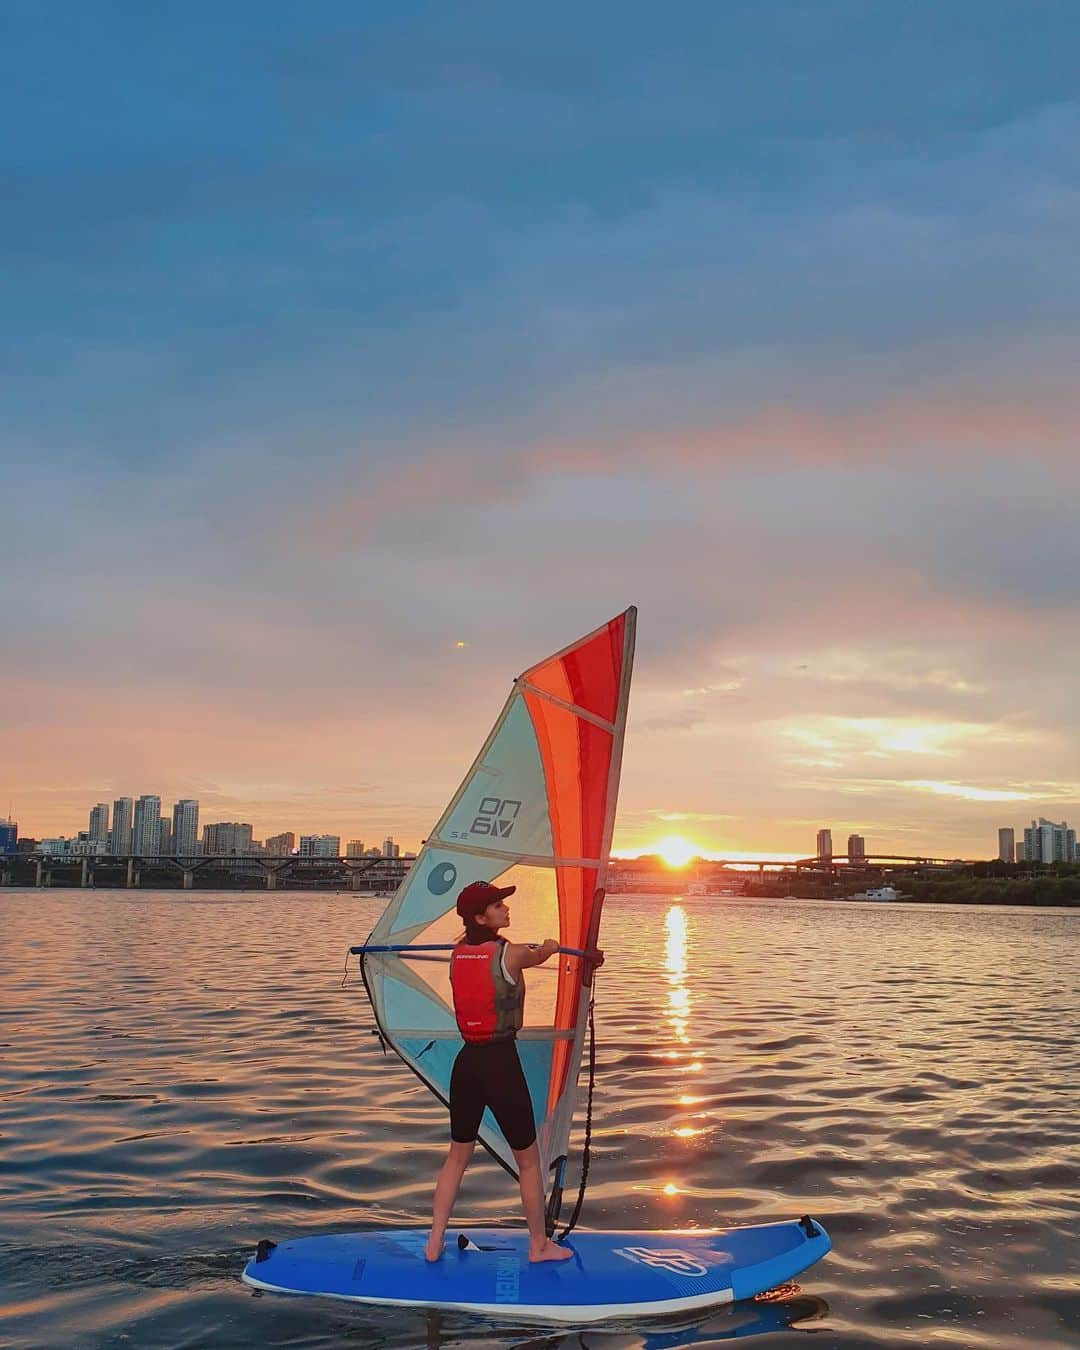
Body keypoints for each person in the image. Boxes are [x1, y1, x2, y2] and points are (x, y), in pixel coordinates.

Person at [424, 879, 601, 1264]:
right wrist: (553, 947)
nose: (505, 909)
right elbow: (542, 953)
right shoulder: (511, 954)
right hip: (500, 1065)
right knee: (529, 1161)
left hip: (466, 1064)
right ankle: (538, 1245)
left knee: (457, 1156)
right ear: (479, 917)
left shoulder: (455, 954)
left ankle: (434, 1243)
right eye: (497, 905)